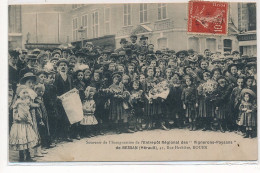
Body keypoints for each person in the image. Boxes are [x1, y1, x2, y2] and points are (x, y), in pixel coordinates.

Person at [9, 85, 38, 162]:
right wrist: (19, 118)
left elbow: (27, 113)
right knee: (21, 140)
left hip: (25, 124)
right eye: (24, 93)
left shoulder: (25, 102)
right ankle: (21, 157)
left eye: (27, 93)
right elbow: (18, 114)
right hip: (20, 124)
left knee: (27, 139)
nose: (26, 94)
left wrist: (29, 120)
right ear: (19, 94)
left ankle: (28, 156)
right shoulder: (19, 103)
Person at [54, 58, 74, 142]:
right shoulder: (56, 76)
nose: (63, 67)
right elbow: (54, 88)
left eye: (64, 65)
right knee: (59, 117)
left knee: (67, 117)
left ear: (67, 67)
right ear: (58, 67)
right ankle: (59, 136)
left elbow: (71, 87)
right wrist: (56, 97)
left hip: (68, 100)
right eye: (61, 65)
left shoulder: (70, 77)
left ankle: (67, 135)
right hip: (58, 100)